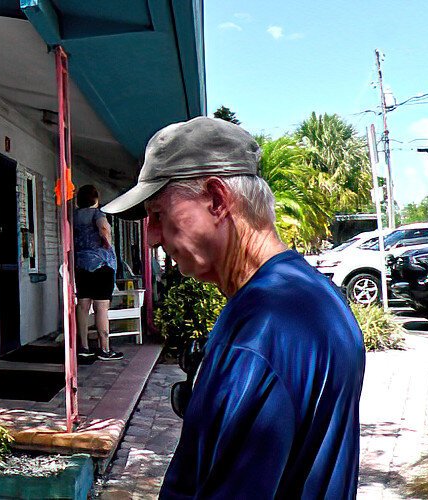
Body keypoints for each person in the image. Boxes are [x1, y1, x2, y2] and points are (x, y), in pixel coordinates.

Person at [100, 116, 363, 498]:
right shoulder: (316, 296)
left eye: (158, 214)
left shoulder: (263, 329)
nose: (153, 238)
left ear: (217, 200)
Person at [72, 184, 124, 362]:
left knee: (82, 305)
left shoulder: (74, 216)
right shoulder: (98, 214)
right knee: (101, 307)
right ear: (95, 199)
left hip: (81, 265)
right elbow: (103, 228)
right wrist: (107, 242)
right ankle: (104, 348)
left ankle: (84, 347)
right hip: (101, 265)